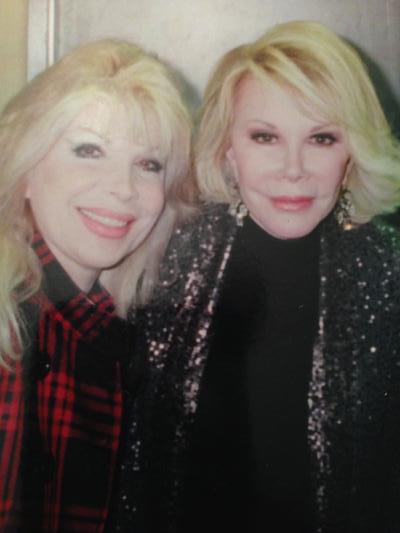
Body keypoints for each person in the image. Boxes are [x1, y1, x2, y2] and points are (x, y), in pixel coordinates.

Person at [109, 21, 400, 533]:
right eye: (265, 137)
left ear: (352, 150)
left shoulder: (388, 272)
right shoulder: (164, 253)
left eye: (321, 138)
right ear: (228, 149)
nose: (293, 168)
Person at [0, 38, 191, 532]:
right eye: (89, 151)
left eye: (148, 164)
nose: (123, 188)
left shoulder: (107, 328)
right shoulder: (11, 322)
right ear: (26, 169)